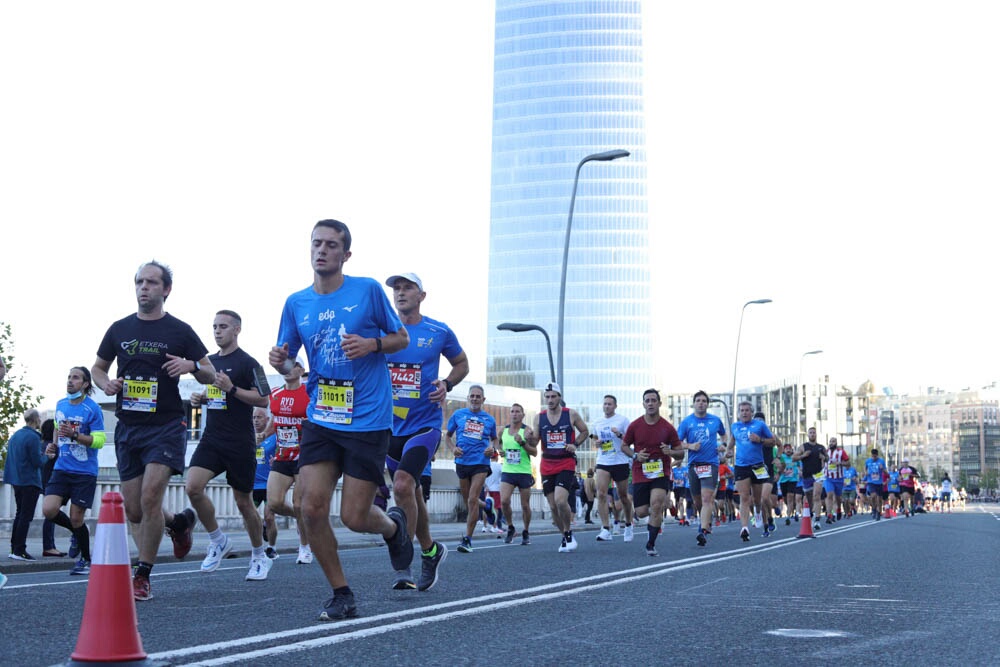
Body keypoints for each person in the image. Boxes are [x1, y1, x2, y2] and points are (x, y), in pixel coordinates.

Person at [269, 219, 411, 622]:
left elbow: (401, 337)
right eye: (317, 243)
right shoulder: (296, 302)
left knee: (353, 516)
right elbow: (288, 356)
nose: (322, 250)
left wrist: (373, 344)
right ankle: (342, 593)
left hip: (367, 417)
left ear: (346, 254)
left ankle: (392, 528)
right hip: (322, 416)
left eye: (332, 245)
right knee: (310, 508)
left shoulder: (367, 290)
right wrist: (281, 360)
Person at [93, 260, 216, 601]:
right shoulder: (119, 329)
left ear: (166, 290)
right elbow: (98, 369)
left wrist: (191, 365)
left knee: (150, 497)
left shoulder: (179, 330)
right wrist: (106, 383)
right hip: (128, 426)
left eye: (150, 282)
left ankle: (142, 574)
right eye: (138, 282)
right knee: (134, 509)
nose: (143, 287)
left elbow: (210, 372)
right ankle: (177, 523)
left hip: (165, 425)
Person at [383, 271, 468, 589]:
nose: (401, 293)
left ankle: (402, 565)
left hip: (425, 424)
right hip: (388, 425)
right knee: (412, 494)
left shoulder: (438, 331)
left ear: (422, 295)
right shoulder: (383, 329)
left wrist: (446, 383)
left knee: (403, 486)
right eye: (396, 289)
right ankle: (430, 551)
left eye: (408, 288)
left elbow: (462, 364)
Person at [183, 311, 272, 580]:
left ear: (237, 329)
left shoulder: (250, 363)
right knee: (192, 487)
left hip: (239, 441)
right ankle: (218, 540)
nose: (217, 331)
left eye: (223, 326)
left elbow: (264, 400)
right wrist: (203, 398)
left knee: (244, 503)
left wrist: (232, 388)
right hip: (212, 438)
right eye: (214, 327)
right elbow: (217, 393)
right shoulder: (208, 363)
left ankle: (259, 555)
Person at [42, 367, 106, 575]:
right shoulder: (61, 404)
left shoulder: (92, 409)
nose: (70, 381)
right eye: (69, 377)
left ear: (86, 384)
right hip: (62, 468)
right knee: (49, 510)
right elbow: (56, 428)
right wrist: (53, 446)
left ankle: (86, 560)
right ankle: (77, 534)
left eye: (75, 378)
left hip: (84, 472)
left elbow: (99, 441)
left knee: (77, 518)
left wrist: (76, 436)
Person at [622, 389, 683, 556]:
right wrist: (635, 455)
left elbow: (680, 453)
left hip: (660, 472)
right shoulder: (635, 425)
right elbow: (624, 446)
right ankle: (654, 520)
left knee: (656, 504)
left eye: (653, 400)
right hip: (640, 471)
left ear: (659, 403)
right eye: (647, 401)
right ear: (643, 404)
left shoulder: (667, 428)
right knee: (642, 512)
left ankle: (651, 543)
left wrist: (670, 453)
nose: (650, 403)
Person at [265, 358, 313, 565]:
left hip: (304, 456)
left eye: (291, 365)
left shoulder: (310, 393)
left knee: (299, 502)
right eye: (282, 366)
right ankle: (304, 517)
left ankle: (305, 547)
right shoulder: (275, 393)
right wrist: (263, 435)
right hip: (282, 455)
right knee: (274, 502)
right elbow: (274, 420)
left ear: (301, 370)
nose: (285, 369)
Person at [537, 382, 589, 553]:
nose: (550, 400)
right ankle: (565, 535)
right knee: (552, 506)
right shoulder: (540, 417)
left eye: (553, 396)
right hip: (547, 464)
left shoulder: (571, 414)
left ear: (559, 397)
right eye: (548, 397)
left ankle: (568, 534)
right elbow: (535, 441)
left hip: (566, 463)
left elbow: (584, 431)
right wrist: (527, 438)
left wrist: (574, 444)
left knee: (560, 501)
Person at [446, 385, 498, 554]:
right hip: (462, 461)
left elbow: (495, 440)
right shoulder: (458, 415)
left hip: (481, 462)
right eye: (472, 396)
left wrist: (492, 448)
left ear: (483, 399)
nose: (475, 399)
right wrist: (453, 448)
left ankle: (467, 539)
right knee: (469, 499)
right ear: (468, 398)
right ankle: (488, 507)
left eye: (478, 396)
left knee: (472, 499)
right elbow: (447, 436)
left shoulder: (489, 419)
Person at [677, 390, 727, 546]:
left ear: (707, 404)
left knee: (707, 498)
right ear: (694, 403)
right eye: (698, 400)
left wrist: (723, 446)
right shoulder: (686, 422)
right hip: (693, 465)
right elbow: (677, 443)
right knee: (697, 500)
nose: (701, 403)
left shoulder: (715, 420)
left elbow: (724, 436)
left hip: (711, 463)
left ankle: (703, 531)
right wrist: (690, 445)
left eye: (704, 401)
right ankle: (705, 520)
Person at [727, 401, 778, 542]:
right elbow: (732, 441)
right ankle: (744, 528)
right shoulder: (735, 426)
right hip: (741, 466)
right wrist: (728, 451)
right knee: (744, 498)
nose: (744, 412)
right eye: (742, 410)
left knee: (757, 499)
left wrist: (760, 439)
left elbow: (773, 441)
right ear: (738, 413)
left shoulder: (759, 425)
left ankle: (757, 512)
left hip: (758, 466)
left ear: (751, 412)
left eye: (747, 410)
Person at [591, 394, 634, 542]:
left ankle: (628, 524)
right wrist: (597, 444)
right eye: (605, 404)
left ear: (615, 406)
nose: (607, 406)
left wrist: (619, 434)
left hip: (620, 461)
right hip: (603, 461)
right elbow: (594, 441)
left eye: (610, 404)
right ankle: (605, 528)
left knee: (623, 496)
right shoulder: (597, 422)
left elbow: (630, 440)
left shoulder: (623, 420)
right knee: (601, 494)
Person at [5, 408, 45, 561]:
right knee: (25, 516)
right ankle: (20, 550)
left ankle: (14, 548)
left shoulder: (16, 435)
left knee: (19, 514)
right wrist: (48, 456)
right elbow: (37, 462)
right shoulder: (33, 437)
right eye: (39, 418)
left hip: (17, 480)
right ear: (35, 420)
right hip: (30, 481)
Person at [499, 403, 537, 546]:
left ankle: (526, 531)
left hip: (524, 472)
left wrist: (522, 443)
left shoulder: (527, 431)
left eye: (517, 412)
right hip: (508, 470)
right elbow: (498, 442)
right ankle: (510, 527)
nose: (514, 414)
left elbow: (535, 452)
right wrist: (500, 450)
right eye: (512, 411)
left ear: (522, 415)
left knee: (525, 505)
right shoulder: (503, 430)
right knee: (504, 501)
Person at [251, 407, 279, 559]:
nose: (256, 420)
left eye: (259, 417)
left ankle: (271, 547)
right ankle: (257, 546)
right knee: (249, 516)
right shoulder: (248, 436)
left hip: (269, 484)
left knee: (269, 517)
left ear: (267, 420)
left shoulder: (274, 437)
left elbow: (282, 452)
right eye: (254, 417)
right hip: (253, 485)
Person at [38, 419, 67, 558]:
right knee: (51, 515)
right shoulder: (54, 447)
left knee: (50, 514)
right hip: (53, 482)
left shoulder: (42, 445)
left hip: (43, 481)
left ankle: (50, 545)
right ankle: (49, 546)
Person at [792, 427, 827, 531]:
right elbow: (794, 458)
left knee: (817, 496)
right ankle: (811, 514)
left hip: (818, 474)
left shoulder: (821, 447)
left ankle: (817, 520)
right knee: (809, 498)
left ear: (816, 435)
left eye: (814, 433)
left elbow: (828, 458)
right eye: (810, 433)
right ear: (808, 435)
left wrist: (824, 458)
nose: (812, 434)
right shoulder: (803, 447)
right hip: (807, 475)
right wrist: (803, 455)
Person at [823, 437, 849, 524]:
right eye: (830, 441)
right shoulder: (826, 452)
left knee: (838, 498)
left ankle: (838, 509)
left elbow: (848, 463)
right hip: (828, 478)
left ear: (836, 443)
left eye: (833, 441)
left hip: (838, 478)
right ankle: (829, 514)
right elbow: (822, 463)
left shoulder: (841, 452)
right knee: (829, 495)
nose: (831, 443)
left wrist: (840, 463)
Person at [776, 443, 800, 525]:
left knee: (790, 497)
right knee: (785, 498)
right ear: (784, 450)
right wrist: (781, 470)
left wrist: (799, 471)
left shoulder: (795, 458)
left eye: (790, 449)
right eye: (787, 449)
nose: (788, 450)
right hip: (783, 480)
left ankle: (788, 516)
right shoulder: (781, 458)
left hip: (793, 480)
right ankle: (791, 508)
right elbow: (777, 466)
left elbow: (799, 466)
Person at [863, 448, 887, 520]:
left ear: (877, 455)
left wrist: (882, 469)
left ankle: (879, 512)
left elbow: (886, 472)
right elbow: (865, 468)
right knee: (873, 496)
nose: (874, 458)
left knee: (879, 498)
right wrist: (865, 472)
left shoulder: (881, 461)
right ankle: (874, 509)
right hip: (871, 481)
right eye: (872, 456)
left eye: (875, 456)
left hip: (879, 482)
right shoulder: (868, 461)